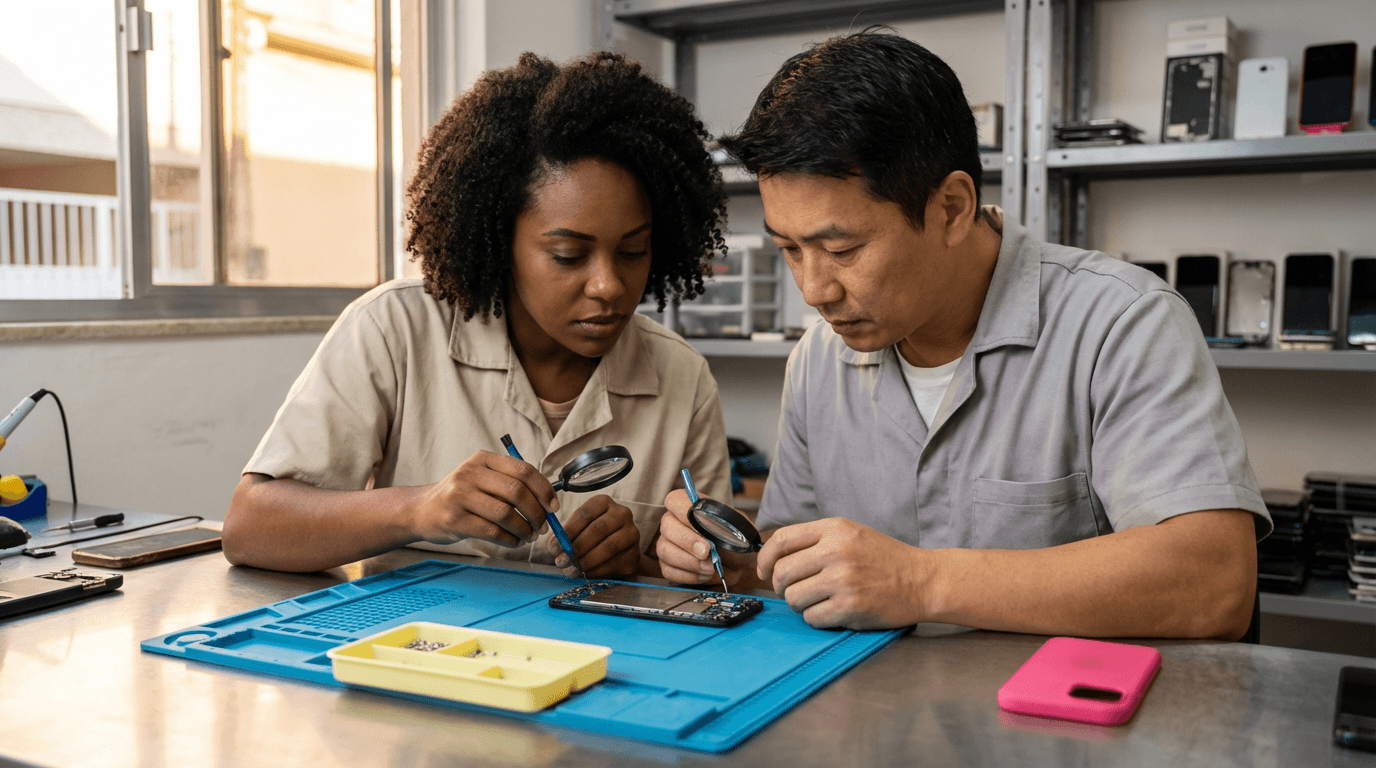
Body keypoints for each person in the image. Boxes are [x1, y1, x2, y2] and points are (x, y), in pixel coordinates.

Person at [656, 30, 1270, 639]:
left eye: (840, 248)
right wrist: (738, 563)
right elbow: (798, 576)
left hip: (1065, 725)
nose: (814, 290)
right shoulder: (818, 360)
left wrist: (921, 583)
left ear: (951, 207)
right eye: (790, 249)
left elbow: (1214, 582)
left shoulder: (1122, 324)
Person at [223, 52, 733, 576]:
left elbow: (720, 570)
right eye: (568, 256)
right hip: (420, 648)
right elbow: (251, 529)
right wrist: (421, 508)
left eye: (632, 252)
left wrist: (640, 565)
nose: (609, 286)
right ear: (497, 239)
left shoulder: (681, 377)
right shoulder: (394, 329)